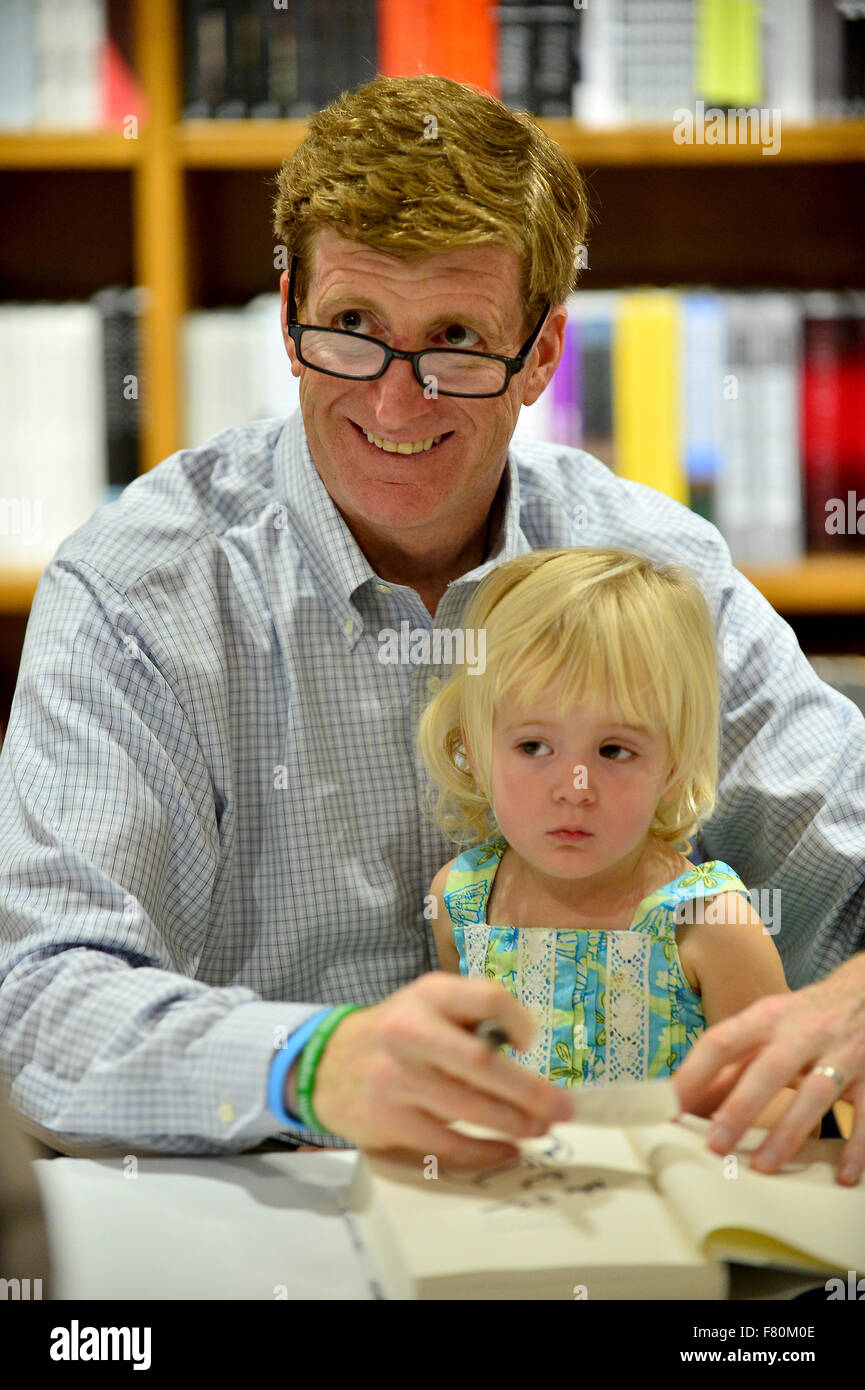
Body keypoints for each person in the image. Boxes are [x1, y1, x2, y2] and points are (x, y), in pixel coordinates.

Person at [0, 74, 862, 1183]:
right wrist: (311, 1063)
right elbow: (43, 1001)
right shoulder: (136, 590)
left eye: (456, 338)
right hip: (256, 1204)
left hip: (609, 1211)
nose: (395, 405)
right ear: (289, 320)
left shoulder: (655, 572)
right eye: (353, 327)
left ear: (543, 355)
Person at [419, 545, 819, 1137]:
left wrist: (709, 1107)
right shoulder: (460, 900)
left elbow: (792, 1103)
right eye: (533, 747)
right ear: (473, 755)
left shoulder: (710, 923)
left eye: (614, 751)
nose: (575, 789)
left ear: (674, 765)